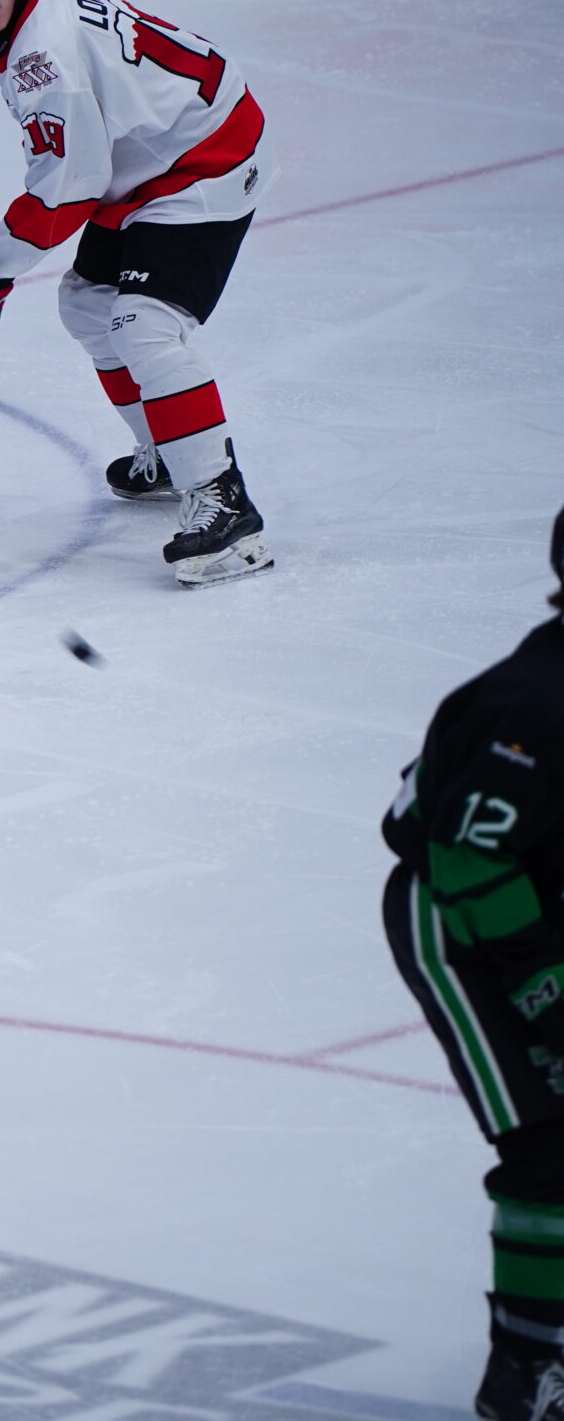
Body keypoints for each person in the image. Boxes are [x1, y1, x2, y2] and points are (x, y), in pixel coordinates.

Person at [0, 0, 272, 588]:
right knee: (87, 305)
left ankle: (225, 503)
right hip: (154, 156)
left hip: (208, 158)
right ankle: (171, 451)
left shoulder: (42, 53)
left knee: (143, 324)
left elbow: (72, 185)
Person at [385, 509, 564, 1421]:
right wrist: (548, 995)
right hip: (456, 924)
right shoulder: (534, 707)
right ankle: (529, 1370)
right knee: (550, 1146)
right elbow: (467, 863)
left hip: (537, 900)